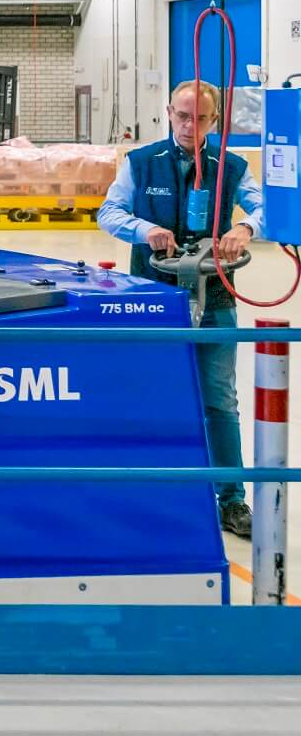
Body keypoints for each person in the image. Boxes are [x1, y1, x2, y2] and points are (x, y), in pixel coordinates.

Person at [98, 79, 266, 539]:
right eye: (183, 116)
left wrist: (246, 229)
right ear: (169, 113)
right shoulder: (140, 163)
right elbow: (108, 213)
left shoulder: (231, 166)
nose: (191, 126)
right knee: (148, 397)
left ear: (215, 121)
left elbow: (266, 204)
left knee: (220, 402)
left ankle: (231, 499)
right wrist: (144, 229)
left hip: (215, 300)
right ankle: (151, 496)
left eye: (202, 118)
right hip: (152, 303)